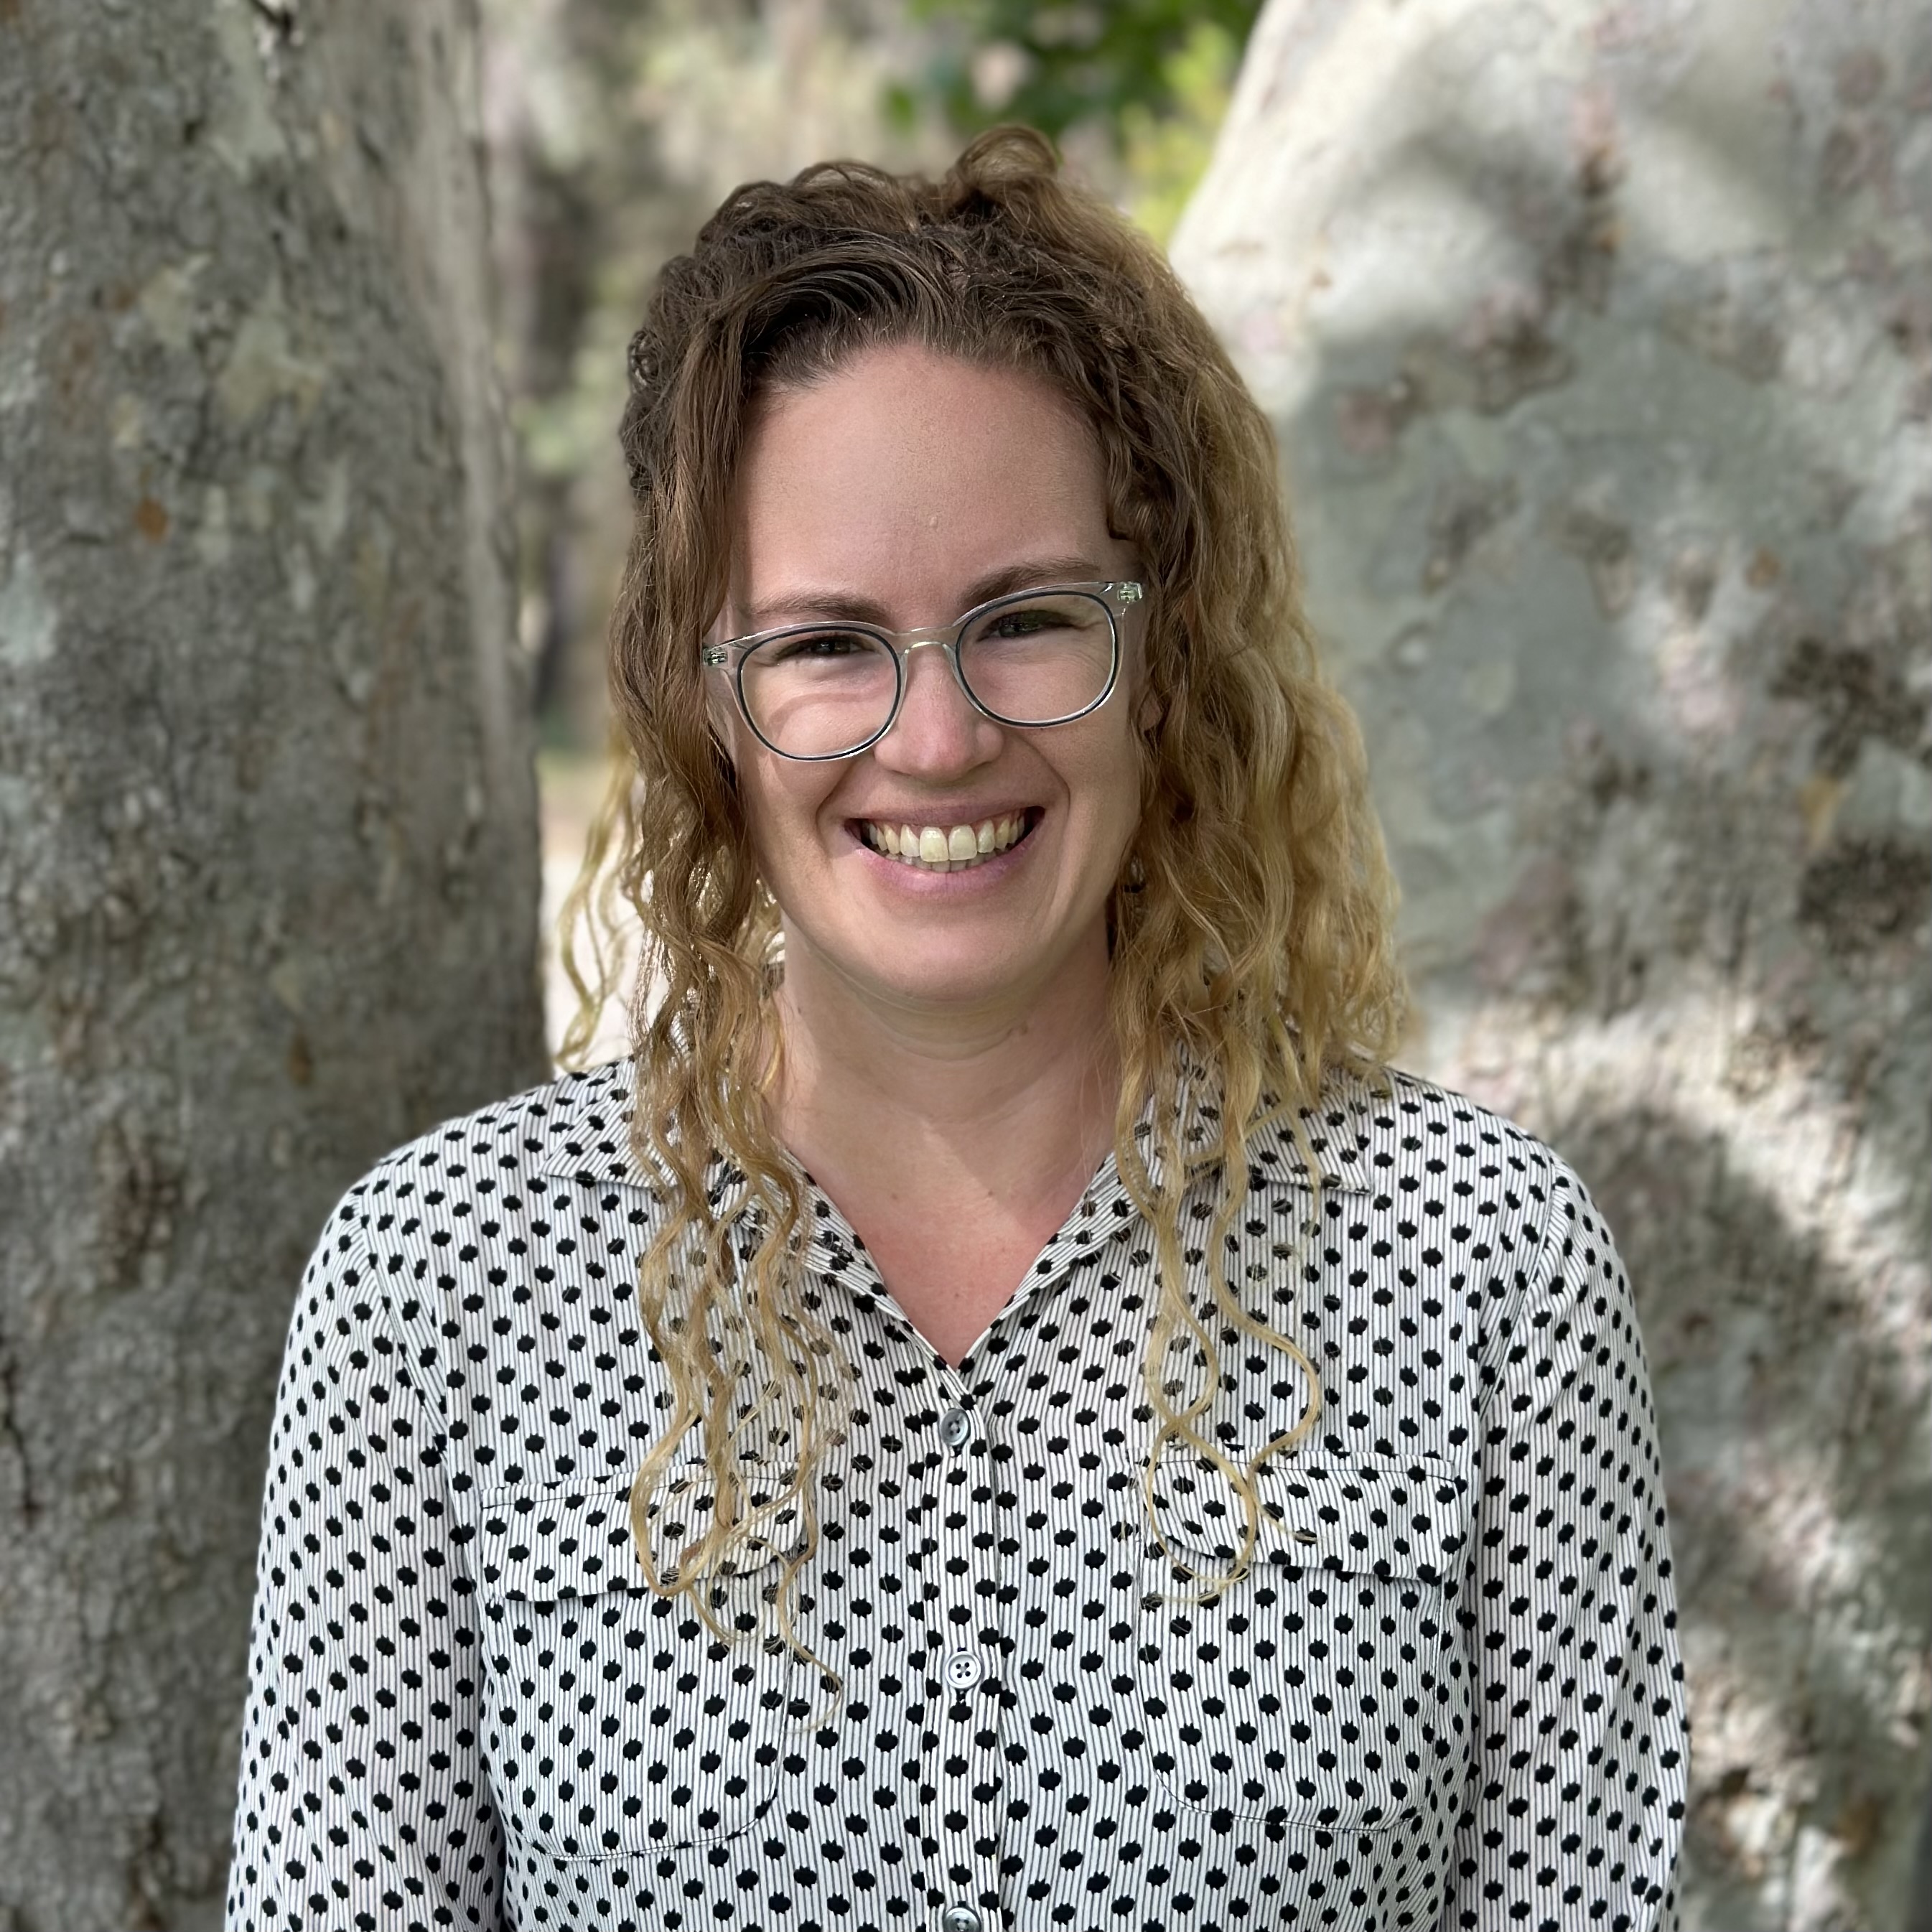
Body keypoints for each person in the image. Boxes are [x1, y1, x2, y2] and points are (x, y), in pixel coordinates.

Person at [227, 129, 1686, 1932]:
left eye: (1024, 620)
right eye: (829, 643)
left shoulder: (1478, 1264)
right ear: (708, 702)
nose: (933, 740)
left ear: (1163, 656)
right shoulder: (443, 1291)